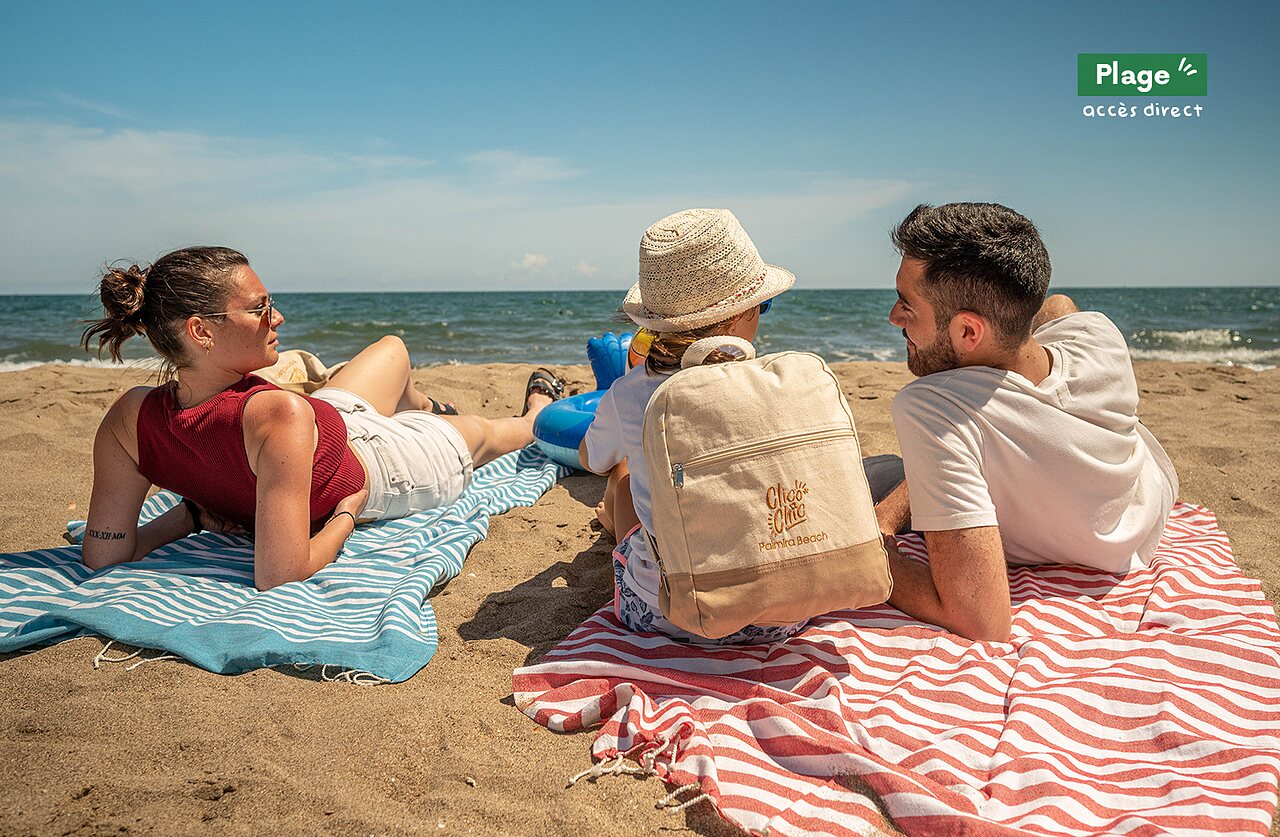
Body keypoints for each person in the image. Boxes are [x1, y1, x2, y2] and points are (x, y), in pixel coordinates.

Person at [80, 246, 564, 590]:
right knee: (498, 433)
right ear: (201, 331)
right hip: (383, 463)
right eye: (260, 308)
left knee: (392, 349)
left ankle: (422, 405)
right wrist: (350, 510)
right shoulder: (276, 413)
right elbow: (281, 573)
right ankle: (538, 405)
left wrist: (188, 517)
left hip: (325, 420)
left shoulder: (128, 419)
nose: (279, 318)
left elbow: (105, 553)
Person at [580, 208, 901, 644]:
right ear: (738, 320)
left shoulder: (630, 393)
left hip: (673, 616)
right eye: (762, 306)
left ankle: (615, 525)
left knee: (624, 483)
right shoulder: (785, 386)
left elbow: (592, 459)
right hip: (788, 613)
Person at [874, 203, 1179, 642]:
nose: (893, 317)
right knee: (1059, 307)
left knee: (873, 472)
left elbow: (981, 619)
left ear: (967, 333)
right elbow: (1051, 316)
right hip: (1142, 504)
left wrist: (878, 553)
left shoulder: (932, 406)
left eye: (907, 305)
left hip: (1079, 534)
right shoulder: (1100, 334)